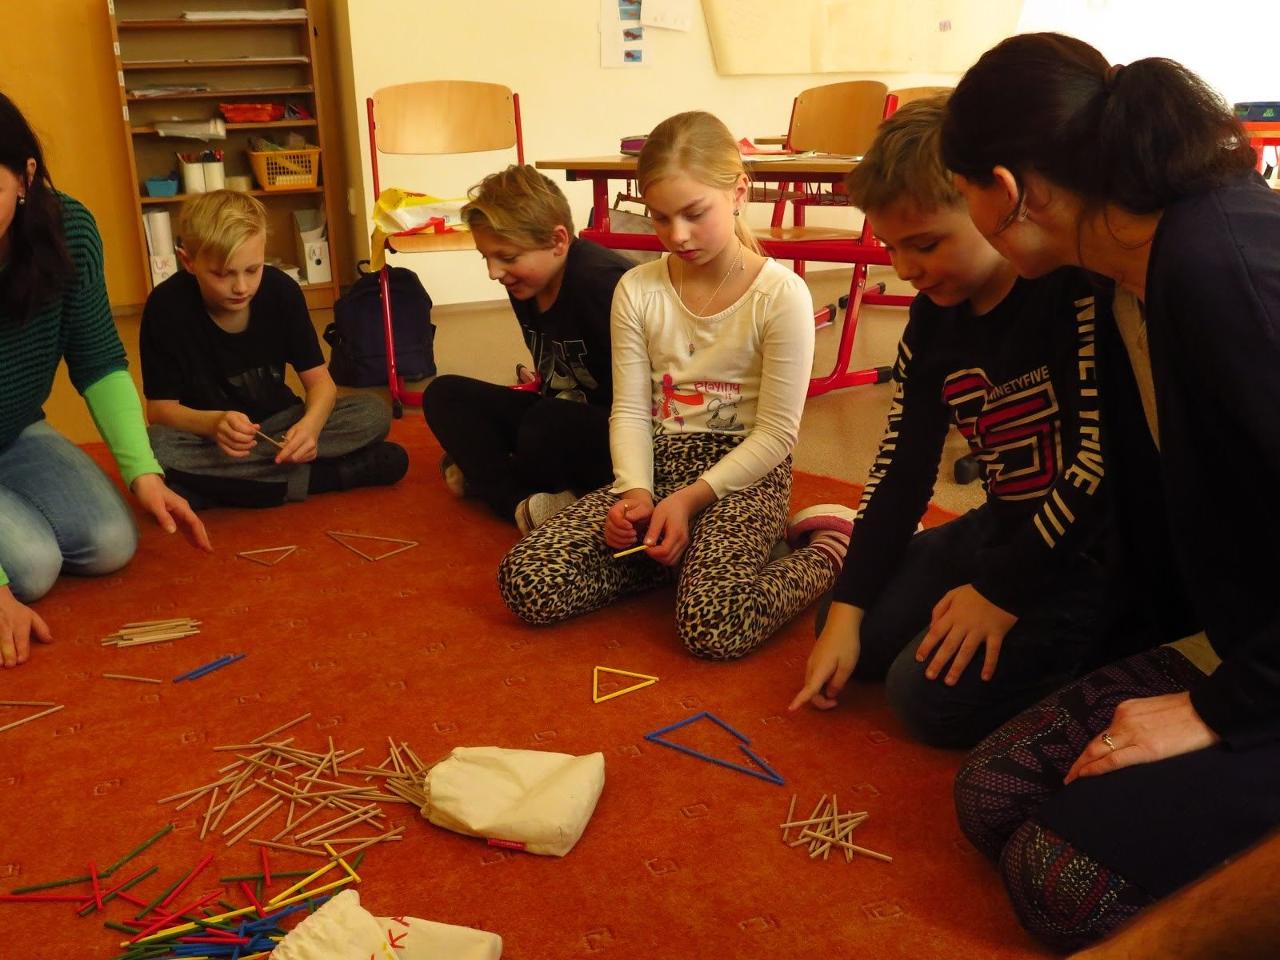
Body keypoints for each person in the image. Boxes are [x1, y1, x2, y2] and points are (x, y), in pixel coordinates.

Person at [939, 33, 1280, 951]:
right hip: (1249, 641)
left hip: (1262, 674)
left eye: (961, 194)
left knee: (1059, 878)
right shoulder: (1120, 275)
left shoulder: (1218, 270)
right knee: (995, 793)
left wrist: (1215, 711)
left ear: (1007, 190)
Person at [787, 96, 1109, 749]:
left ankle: (1112, 661)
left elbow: (1099, 471)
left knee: (922, 699)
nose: (905, 269)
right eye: (891, 247)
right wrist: (847, 611)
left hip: (1090, 552)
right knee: (848, 625)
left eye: (926, 244)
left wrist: (999, 591)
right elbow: (900, 472)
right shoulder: (932, 322)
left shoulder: (1069, 293)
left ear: (989, 206)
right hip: (1003, 524)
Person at [496, 111, 854, 660]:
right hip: (661, 461)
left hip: (746, 474)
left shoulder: (781, 295)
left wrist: (689, 500)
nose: (677, 235)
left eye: (694, 214)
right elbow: (630, 411)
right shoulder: (637, 288)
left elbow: (777, 435)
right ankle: (683, 557)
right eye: (660, 218)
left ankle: (830, 546)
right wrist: (636, 493)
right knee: (527, 581)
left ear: (738, 193)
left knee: (714, 626)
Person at [0, 92, 210, 668]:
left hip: (14, 430)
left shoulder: (69, 229)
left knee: (109, 542)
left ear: (26, 177)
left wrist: (143, 472)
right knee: (32, 568)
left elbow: (97, 359)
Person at [142, 190, 407, 508]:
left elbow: (321, 384)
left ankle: (217, 487)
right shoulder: (165, 307)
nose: (241, 287)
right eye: (223, 274)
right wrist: (214, 424)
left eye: (252, 270)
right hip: (211, 438)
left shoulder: (282, 291)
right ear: (188, 261)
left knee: (373, 412)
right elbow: (159, 412)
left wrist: (310, 429)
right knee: (155, 446)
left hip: (280, 425)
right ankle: (325, 478)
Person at [422, 165, 632, 533]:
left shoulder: (602, 284)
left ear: (558, 241)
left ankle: (493, 478)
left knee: (543, 424)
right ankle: (521, 504)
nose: (494, 272)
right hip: (558, 415)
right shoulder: (526, 283)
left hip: (622, 434)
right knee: (444, 395)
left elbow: (648, 404)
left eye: (507, 257)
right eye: (486, 257)